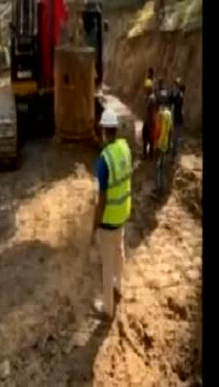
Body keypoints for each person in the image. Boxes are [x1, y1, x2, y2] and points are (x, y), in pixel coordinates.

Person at [92, 108, 131, 319]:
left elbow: (102, 198)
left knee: (106, 264)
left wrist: (94, 224)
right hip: (123, 213)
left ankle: (107, 309)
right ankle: (119, 287)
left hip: (108, 220)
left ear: (104, 131)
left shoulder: (104, 159)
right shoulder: (125, 148)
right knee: (119, 253)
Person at [142, 81, 157, 162]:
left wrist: (152, 123)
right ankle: (147, 154)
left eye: (147, 88)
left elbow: (152, 111)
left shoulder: (152, 98)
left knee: (149, 139)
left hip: (149, 122)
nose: (145, 90)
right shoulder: (148, 97)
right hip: (147, 121)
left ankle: (150, 155)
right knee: (146, 138)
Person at [171, 78, 185, 157]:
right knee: (175, 137)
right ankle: (175, 153)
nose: (174, 87)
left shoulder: (179, 95)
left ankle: (175, 155)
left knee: (176, 137)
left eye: (175, 85)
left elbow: (177, 102)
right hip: (176, 118)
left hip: (178, 119)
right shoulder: (177, 94)